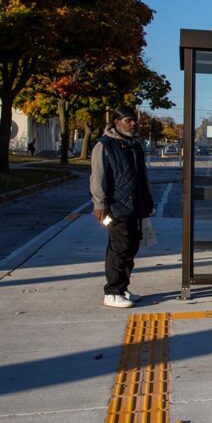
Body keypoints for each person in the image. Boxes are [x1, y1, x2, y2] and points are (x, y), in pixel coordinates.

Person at [90, 105, 154, 308]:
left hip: (136, 206)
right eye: (128, 120)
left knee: (131, 247)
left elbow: (143, 177)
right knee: (119, 248)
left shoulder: (134, 145)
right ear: (116, 123)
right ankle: (112, 292)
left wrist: (147, 201)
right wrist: (100, 203)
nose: (133, 124)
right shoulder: (105, 145)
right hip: (116, 206)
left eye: (134, 120)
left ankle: (123, 288)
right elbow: (97, 177)